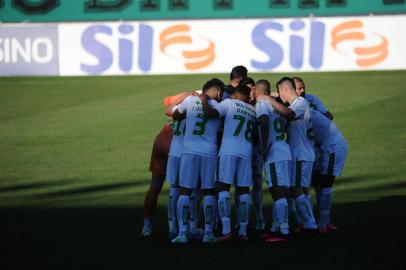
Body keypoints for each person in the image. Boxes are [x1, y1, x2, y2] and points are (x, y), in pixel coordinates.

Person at [261, 77, 318, 235]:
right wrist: (270, 94)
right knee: (294, 190)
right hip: (298, 153)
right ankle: (303, 223)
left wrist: (267, 99)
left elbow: (287, 112)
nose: (279, 95)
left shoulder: (299, 102)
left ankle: (311, 224)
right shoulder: (295, 102)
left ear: (285, 90)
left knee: (296, 190)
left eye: (280, 92)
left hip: (301, 154)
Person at [171, 78, 224, 244]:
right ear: (217, 91)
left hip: (189, 151)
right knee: (208, 191)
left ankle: (182, 233)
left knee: (185, 190)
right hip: (209, 152)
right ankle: (208, 234)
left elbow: (175, 115)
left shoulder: (189, 100)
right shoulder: (220, 106)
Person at [201, 84, 255, 242]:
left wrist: (204, 100)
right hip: (246, 152)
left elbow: (210, 113)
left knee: (223, 186)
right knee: (244, 189)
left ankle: (226, 229)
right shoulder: (253, 111)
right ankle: (243, 231)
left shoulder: (229, 103)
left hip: (228, 151)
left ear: (236, 95)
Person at [140, 91, 193, 238]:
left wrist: (183, 96)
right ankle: (178, 228)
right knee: (181, 189)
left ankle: (147, 226)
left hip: (161, 140)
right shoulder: (198, 104)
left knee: (155, 186)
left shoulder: (184, 100)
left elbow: (167, 103)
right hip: (175, 145)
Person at [256, 79, 292, 242]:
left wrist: (264, 145)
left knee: (277, 192)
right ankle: (276, 227)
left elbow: (263, 121)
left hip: (274, 152)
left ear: (256, 90)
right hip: (284, 149)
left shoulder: (262, 103)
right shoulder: (276, 106)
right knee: (282, 190)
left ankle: (283, 230)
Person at [310, 108, 348, 233]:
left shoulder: (296, 109)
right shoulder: (303, 105)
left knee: (326, 182)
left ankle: (323, 223)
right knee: (317, 181)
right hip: (321, 146)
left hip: (332, 147)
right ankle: (324, 220)